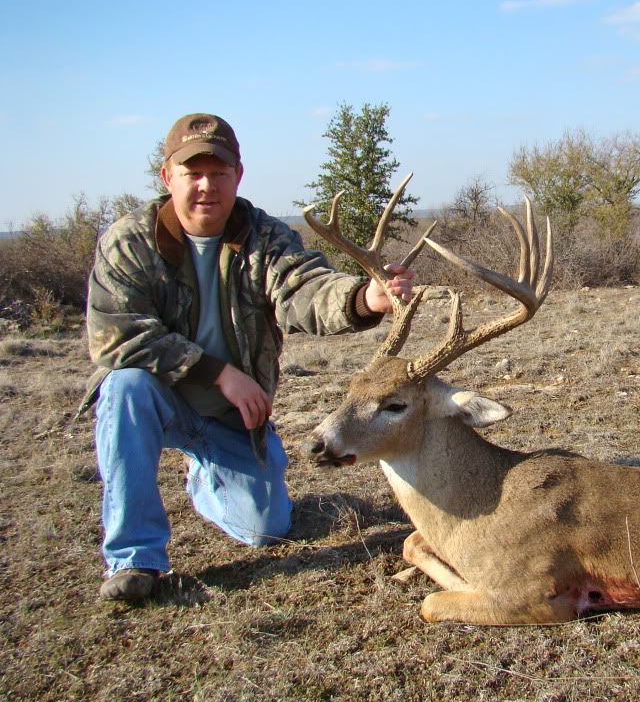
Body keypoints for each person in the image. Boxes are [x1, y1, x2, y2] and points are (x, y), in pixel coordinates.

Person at [80, 113, 413, 601]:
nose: (206, 186)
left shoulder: (264, 236)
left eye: (218, 173)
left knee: (265, 529)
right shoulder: (129, 241)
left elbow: (305, 289)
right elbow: (119, 336)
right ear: (167, 176)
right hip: (160, 401)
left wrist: (365, 298)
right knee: (124, 386)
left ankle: (206, 473)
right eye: (193, 173)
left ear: (238, 175)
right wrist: (220, 373)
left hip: (234, 418)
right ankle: (135, 560)